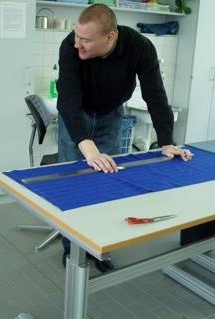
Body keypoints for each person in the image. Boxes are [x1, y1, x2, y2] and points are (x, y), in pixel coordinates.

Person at [56, 4, 192, 271]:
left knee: (106, 182)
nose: (77, 44)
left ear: (110, 37)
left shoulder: (139, 47)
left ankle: (98, 247)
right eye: (76, 35)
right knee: (72, 184)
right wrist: (88, 148)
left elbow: (155, 95)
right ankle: (72, 249)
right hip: (77, 114)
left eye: (85, 39)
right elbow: (68, 98)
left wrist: (167, 141)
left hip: (111, 114)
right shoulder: (69, 46)